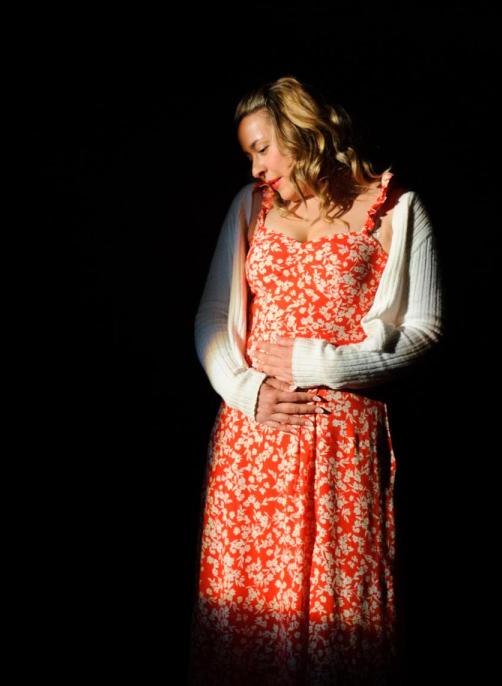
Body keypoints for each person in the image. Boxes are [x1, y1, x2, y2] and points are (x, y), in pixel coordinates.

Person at [188, 76, 445, 685]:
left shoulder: (396, 207)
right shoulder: (249, 207)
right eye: (248, 154)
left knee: (336, 614)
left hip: (340, 445)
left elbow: (425, 331)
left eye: (262, 148)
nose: (256, 167)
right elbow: (209, 318)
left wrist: (321, 364)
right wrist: (246, 389)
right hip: (254, 442)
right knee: (252, 609)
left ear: (303, 133)